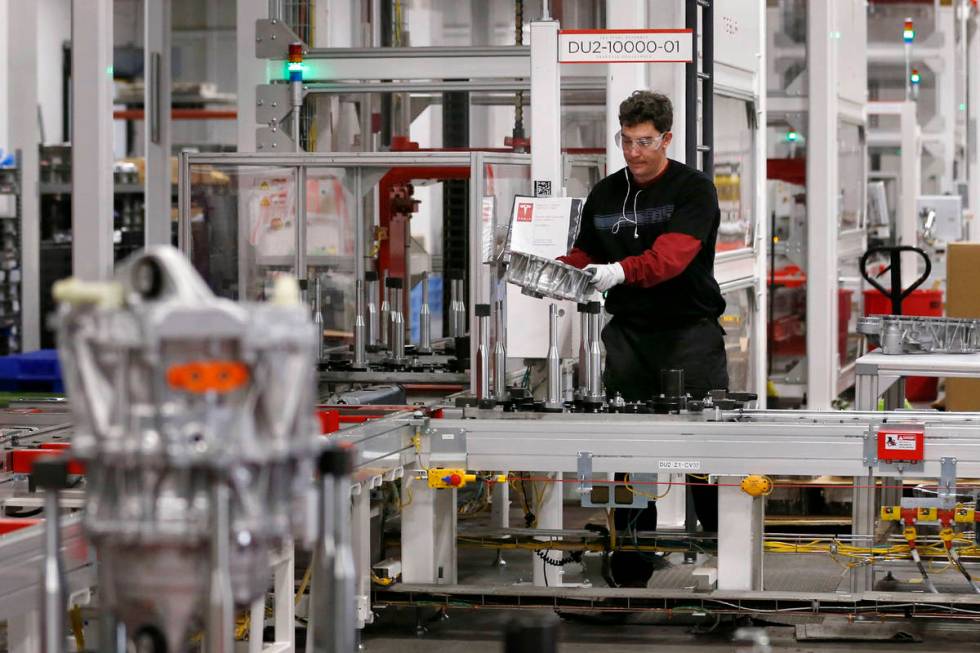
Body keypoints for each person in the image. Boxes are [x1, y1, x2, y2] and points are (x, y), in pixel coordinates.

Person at [559, 90, 728, 587]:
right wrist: (547, 269)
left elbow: (671, 257)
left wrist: (618, 272)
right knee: (629, 457)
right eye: (626, 141)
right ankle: (631, 570)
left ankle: (726, 560)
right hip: (628, 339)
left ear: (667, 138)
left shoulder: (693, 190)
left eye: (644, 142)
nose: (633, 152)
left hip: (689, 335)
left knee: (703, 455)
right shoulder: (605, 194)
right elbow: (582, 253)